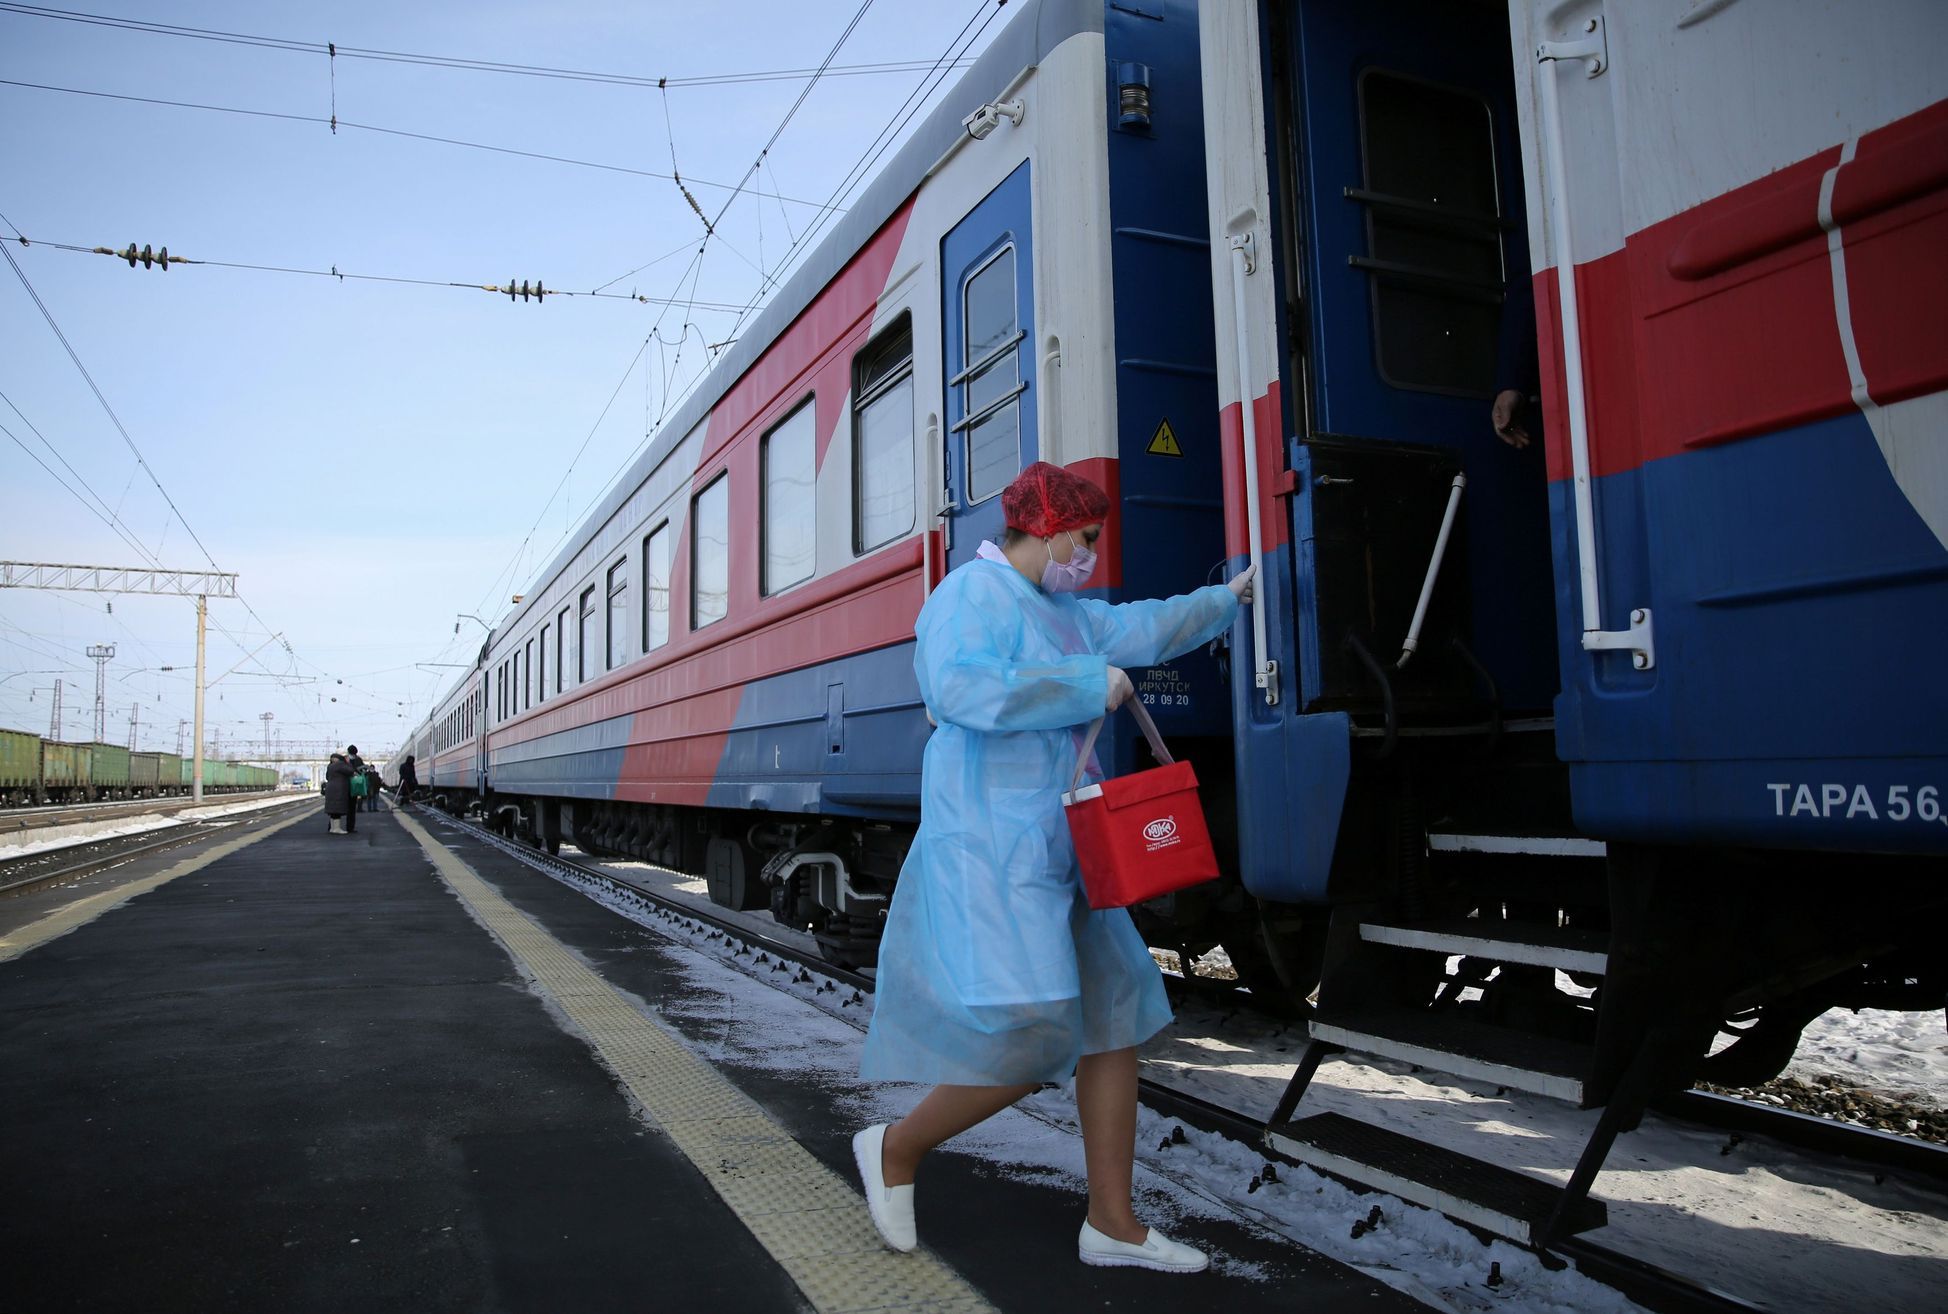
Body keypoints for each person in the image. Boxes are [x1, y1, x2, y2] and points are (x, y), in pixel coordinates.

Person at [855, 461, 1256, 1273]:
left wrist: (1226, 601)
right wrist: (1082, 684)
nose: (1093, 557)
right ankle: (895, 1149)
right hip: (993, 850)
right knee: (1037, 1033)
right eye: (1086, 539)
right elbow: (958, 689)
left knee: (1115, 1020)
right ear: (1046, 530)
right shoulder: (967, 599)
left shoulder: (1064, 609)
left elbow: (1144, 627)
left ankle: (1113, 1223)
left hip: (1066, 844)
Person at [322, 752, 354, 835]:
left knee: (333, 810)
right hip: (338, 789)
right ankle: (337, 828)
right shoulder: (340, 764)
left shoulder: (330, 765)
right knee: (337, 809)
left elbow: (327, 776)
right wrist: (348, 763)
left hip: (331, 789)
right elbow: (351, 771)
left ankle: (333, 828)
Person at [344, 745, 365, 833]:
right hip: (355, 786)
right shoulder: (359, 760)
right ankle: (350, 827)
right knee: (352, 808)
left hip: (346, 786)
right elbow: (362, 771)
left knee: (340, 807)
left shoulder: (344, 760)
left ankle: (333, 826)